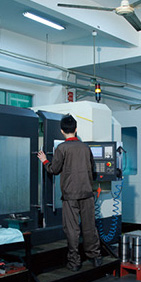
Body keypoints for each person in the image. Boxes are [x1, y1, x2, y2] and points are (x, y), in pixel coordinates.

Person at [37, 115, 102, 272]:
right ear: (76, 129)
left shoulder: (62, 148)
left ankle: (74, 262)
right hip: (87, 194)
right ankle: (95, 257)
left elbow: (54, 170)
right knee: (89, 226)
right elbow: (93, 171)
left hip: (70, 196)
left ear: (61, 131)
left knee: (72, 229)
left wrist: (44, 160)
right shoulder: (85, 148)